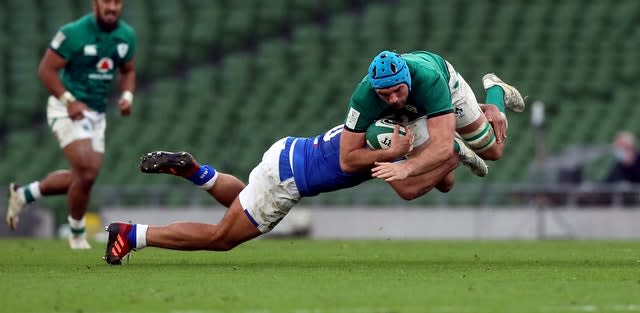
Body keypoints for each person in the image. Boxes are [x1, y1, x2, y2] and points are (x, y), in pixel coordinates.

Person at [103, 123, 485, 265]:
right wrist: (451, 155)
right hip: (290, 180)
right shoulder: (386, 147)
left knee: (248, 201)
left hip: (286, 151)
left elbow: (442, 180)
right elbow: (408, 189)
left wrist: (451, 158)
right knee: (223, 238)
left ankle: (196, 172)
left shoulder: (391, 124)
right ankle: (132, 234)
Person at [6, 0, 137, 249]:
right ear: (95, 4)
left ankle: (23, 194)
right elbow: (46, 70)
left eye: (117, 2)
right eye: (106, 1)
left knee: (83, 176)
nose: (112, 6)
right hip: (65, 109)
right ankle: (76, 234)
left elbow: (128, 70)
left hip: (97, 114)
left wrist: (127, 96)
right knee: (86, 173)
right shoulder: (73, 32)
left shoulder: (127, 35)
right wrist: (69, 101)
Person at [340, 50, 525, 183]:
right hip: (417, 106)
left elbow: (442, 149)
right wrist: (390, 154)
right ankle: (455, 143)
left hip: (448, 88)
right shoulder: (363, 98)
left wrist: (406, 167)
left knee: (493, 152)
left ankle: (496, 90)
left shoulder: (430, 79)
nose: (393, 98)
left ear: (407, 79)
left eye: (398, 90)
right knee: (444, 182)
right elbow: (347, 160)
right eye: (384, 94)